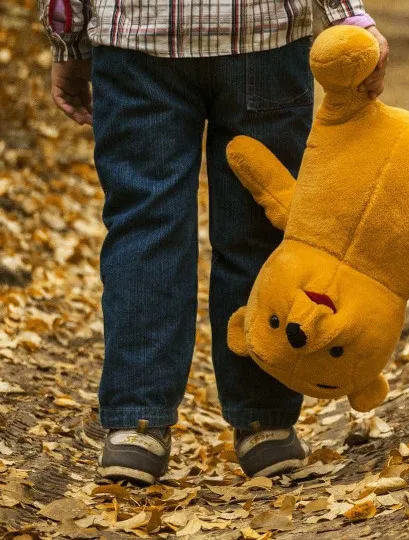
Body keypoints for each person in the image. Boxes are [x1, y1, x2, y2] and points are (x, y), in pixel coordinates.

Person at [37, 0, 389, 484]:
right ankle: (265, 425)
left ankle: (137, 427)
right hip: (263, 37)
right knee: (262, 223)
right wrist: (347, 15)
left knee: (145, 227)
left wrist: (68, 41)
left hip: (137, 38)